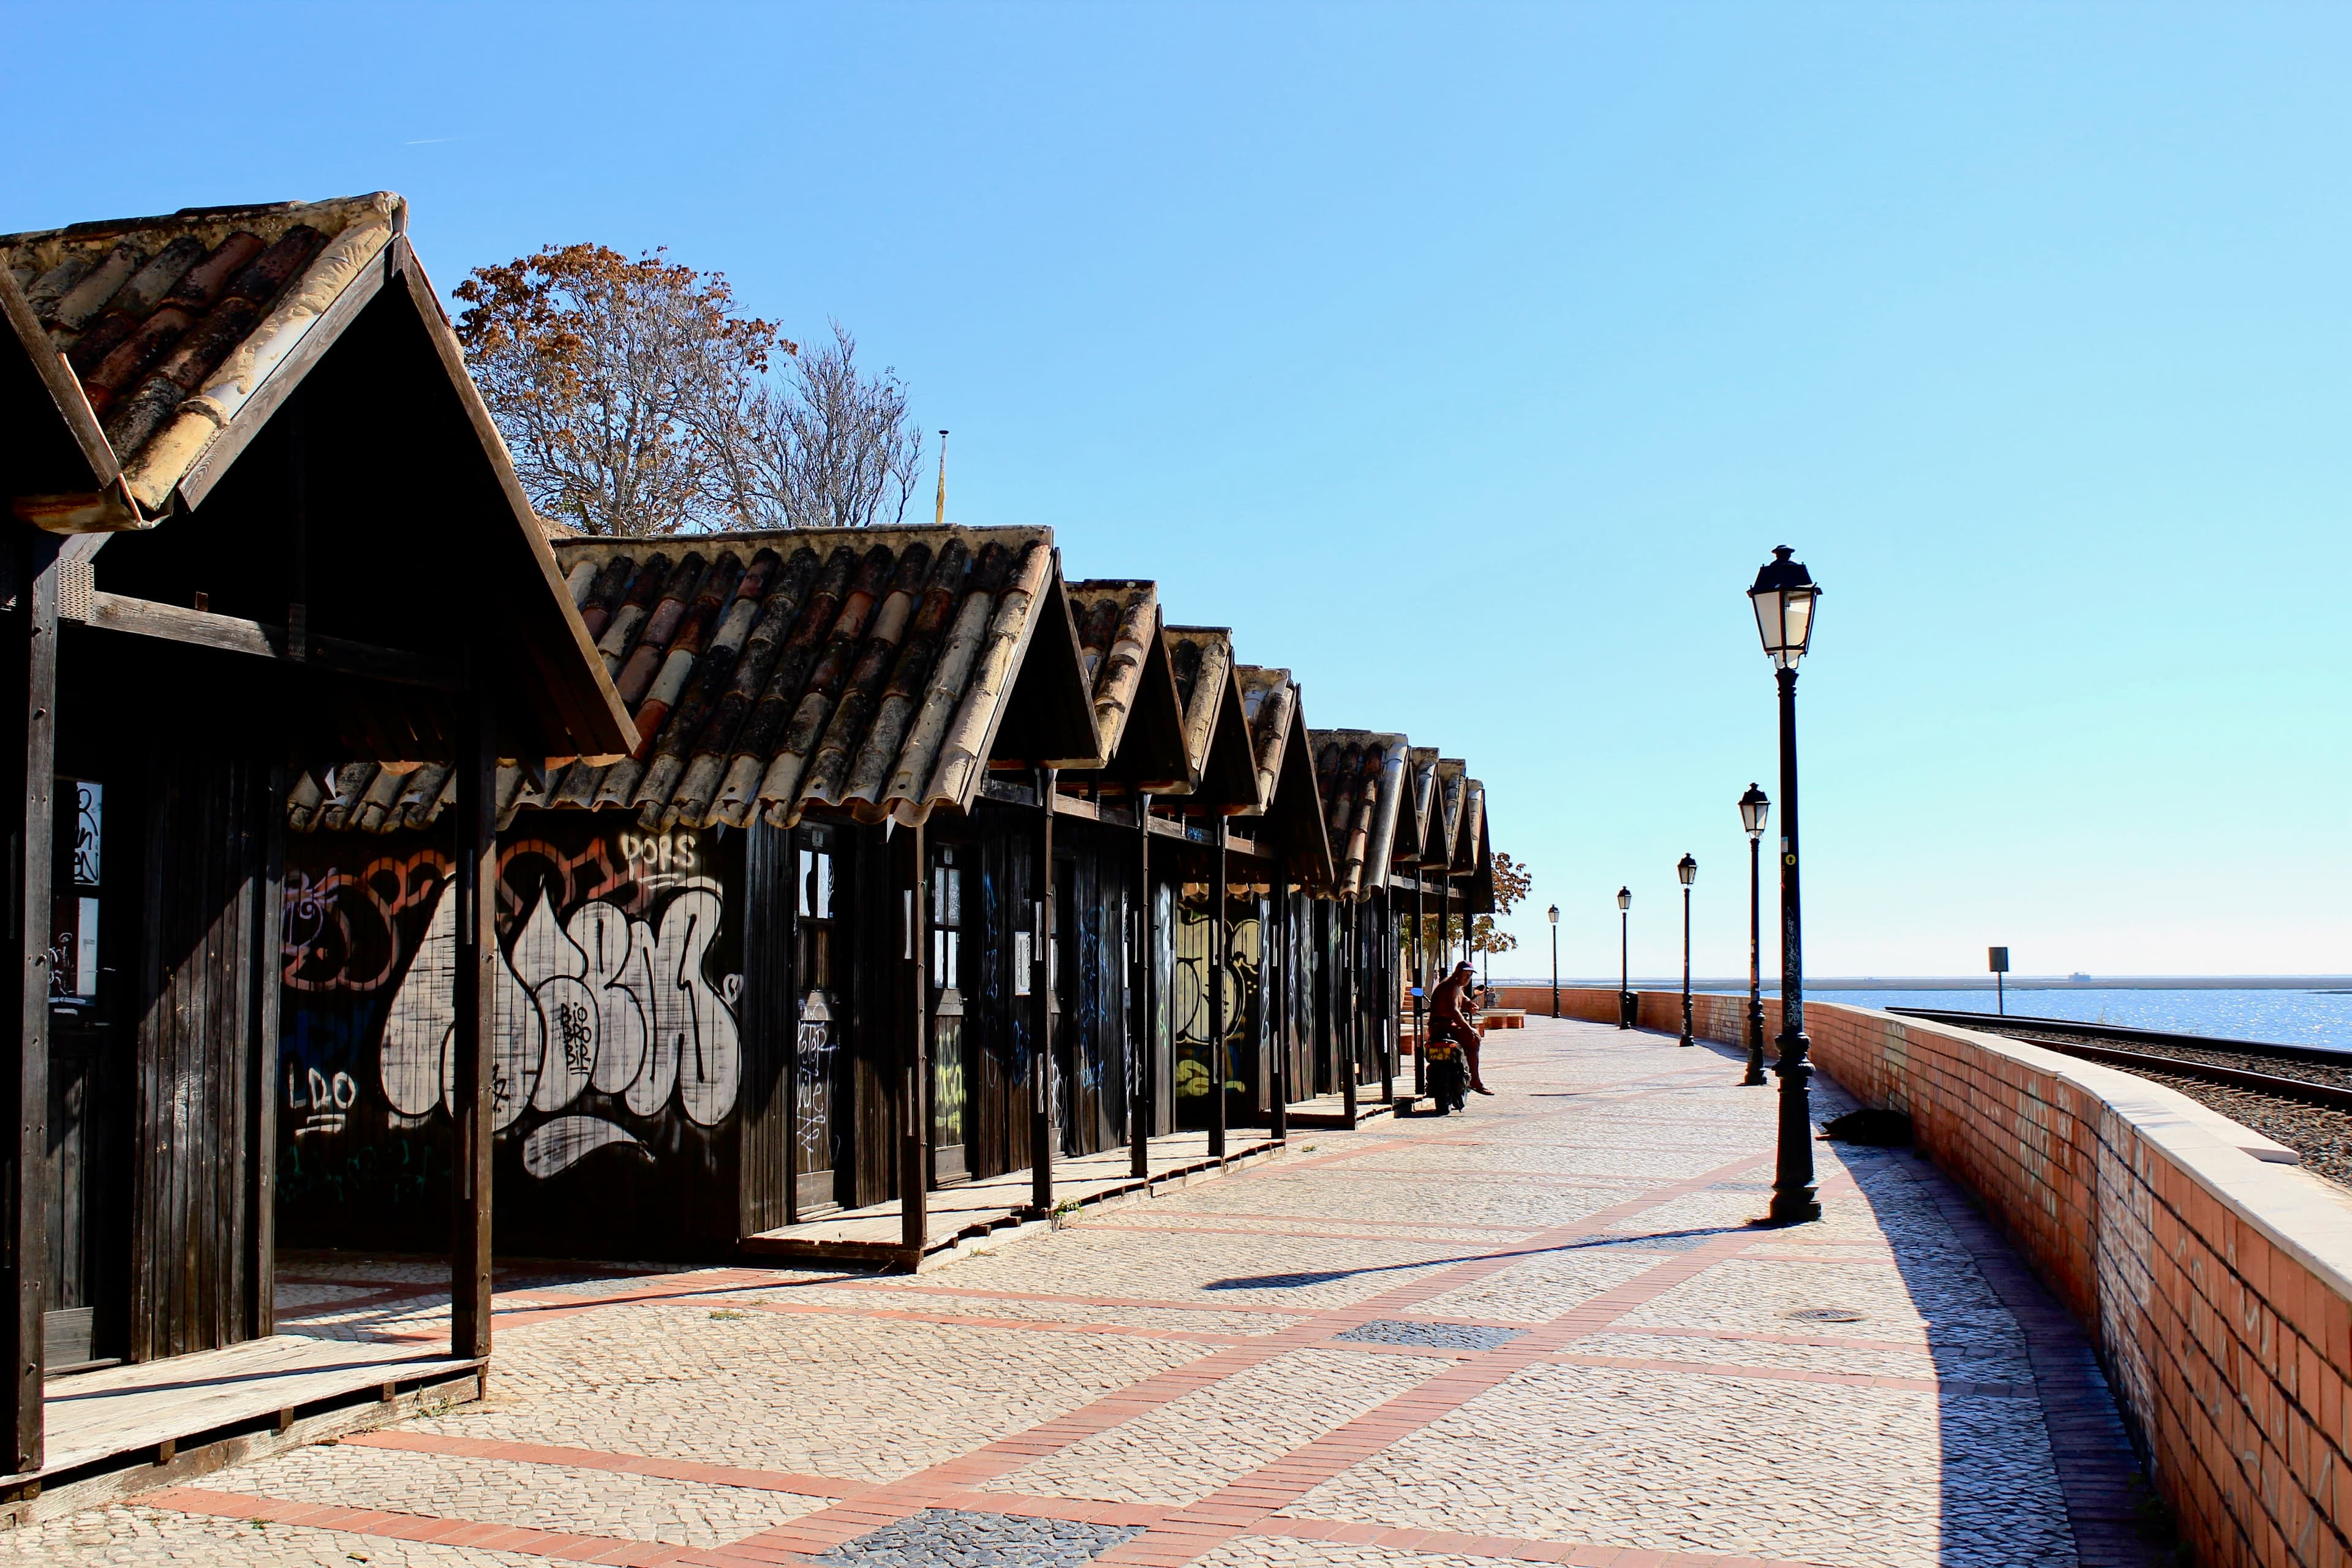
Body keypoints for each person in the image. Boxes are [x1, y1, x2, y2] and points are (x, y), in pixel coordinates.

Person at [1428, 961, 1493, 1095]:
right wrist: (1469, 1029)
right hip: (1444, 1026)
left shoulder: (1455, 986)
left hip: (1438, 1026)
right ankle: (1475, 1080)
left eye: (1469, 976)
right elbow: (1454, 1012)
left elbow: (1463, 1000)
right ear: (1458, 973)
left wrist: (1470, 1005)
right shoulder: (1450, 986)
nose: (1468, 978)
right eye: (1465, 975)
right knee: (1474, 1039)